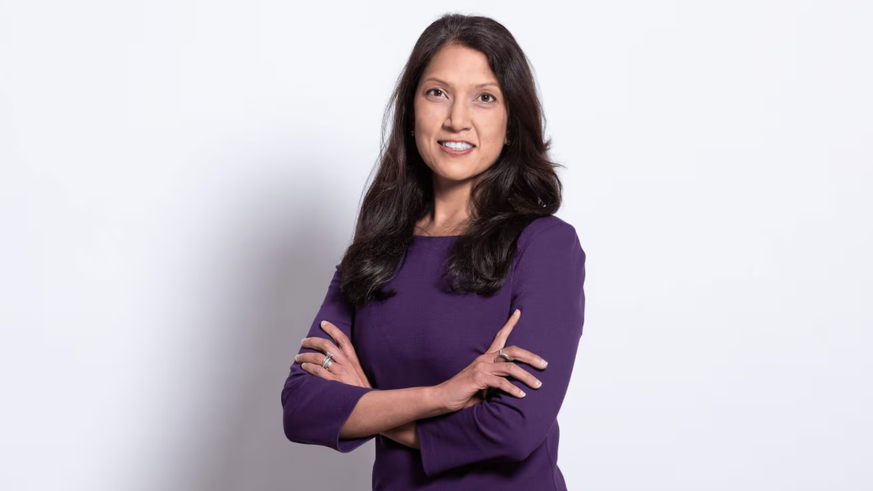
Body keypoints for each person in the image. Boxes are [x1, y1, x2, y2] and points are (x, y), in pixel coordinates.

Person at [280, 13, 586, 490]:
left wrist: (370, 405)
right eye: (437, 93)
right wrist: (442, 396)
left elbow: (513, 430)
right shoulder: (374, 252)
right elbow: (302, 408)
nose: (456, 119)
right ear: (411, 112)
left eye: (484, 97)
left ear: (511, 123)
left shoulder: (544, 245)